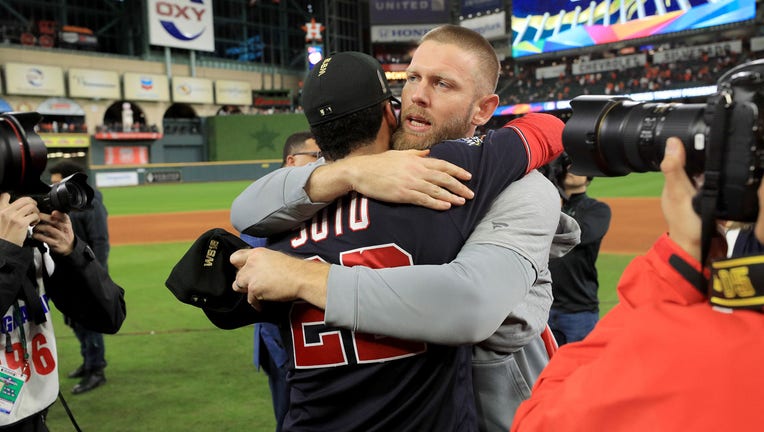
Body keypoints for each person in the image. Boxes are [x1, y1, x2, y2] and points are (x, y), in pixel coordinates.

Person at [230, 24, 578, 430]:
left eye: (443, 84)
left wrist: (305, 277)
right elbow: (246, 208)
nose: (417, 95)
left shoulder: (523, 187)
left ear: (483, 110)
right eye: (412, 77)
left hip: (499, 411)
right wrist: (353, 171)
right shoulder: (365, 165)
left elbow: (472, 305)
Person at [510, 137, 764, 431]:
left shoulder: (703, 353)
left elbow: (540, 420)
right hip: (557, 308)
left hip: (581, 311)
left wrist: (679, 258)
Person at [0, 192, 126, 429]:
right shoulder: (11, 247)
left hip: (35, 415)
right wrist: (5, 253)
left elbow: (110, 316)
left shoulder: (30, 245)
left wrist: (73, 251)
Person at [247, 131, 320, 432]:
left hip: (307, 336)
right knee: (291, 418)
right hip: (280, 339)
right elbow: (256, 278)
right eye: (315, 156)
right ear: (291, 160)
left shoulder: (312, 196)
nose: (321, 162)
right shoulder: (265, 202)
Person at [48, 161, 111, 395]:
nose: (52, 187)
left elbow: (100, 242)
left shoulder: (90, 202)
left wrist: (94, 275)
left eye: (57, 182)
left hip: (85, 274)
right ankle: (88, 363)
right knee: (75, 322)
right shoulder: (63, 204)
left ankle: (97, 370)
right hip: (65, 274)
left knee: (90, 322)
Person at [544, 155, 611, 345]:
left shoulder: (597, 209)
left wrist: (555, 209)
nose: (571, 171)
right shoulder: (545, 204)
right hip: (544, 305)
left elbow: (583, 234)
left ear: (589, 177)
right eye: (567, 166)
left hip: (579, 309)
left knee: (580, 371)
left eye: (578, 167)